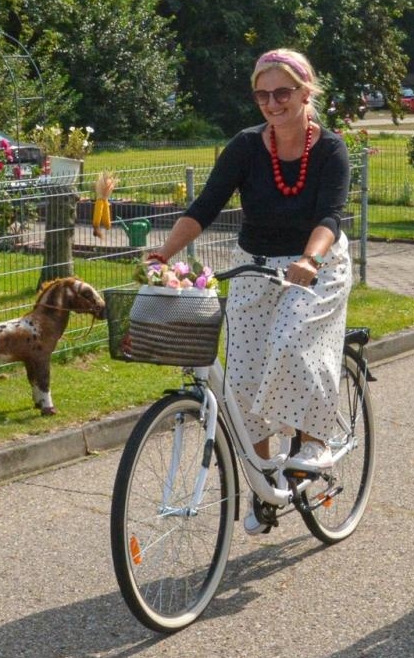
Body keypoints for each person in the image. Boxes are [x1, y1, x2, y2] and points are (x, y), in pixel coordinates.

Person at [147, 48, 352, 535]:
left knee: (291, 342)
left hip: (315, 264)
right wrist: (164, 253)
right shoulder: (244, 147)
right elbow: (206, 206)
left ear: (306, 93)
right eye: (262, 94)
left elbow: (330, 216)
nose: (272, 102)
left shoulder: (330, 149)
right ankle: (263, 482)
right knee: (239, 381)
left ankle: (312, 443)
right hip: (256, 266)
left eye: (283, 92)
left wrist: (310, 259)